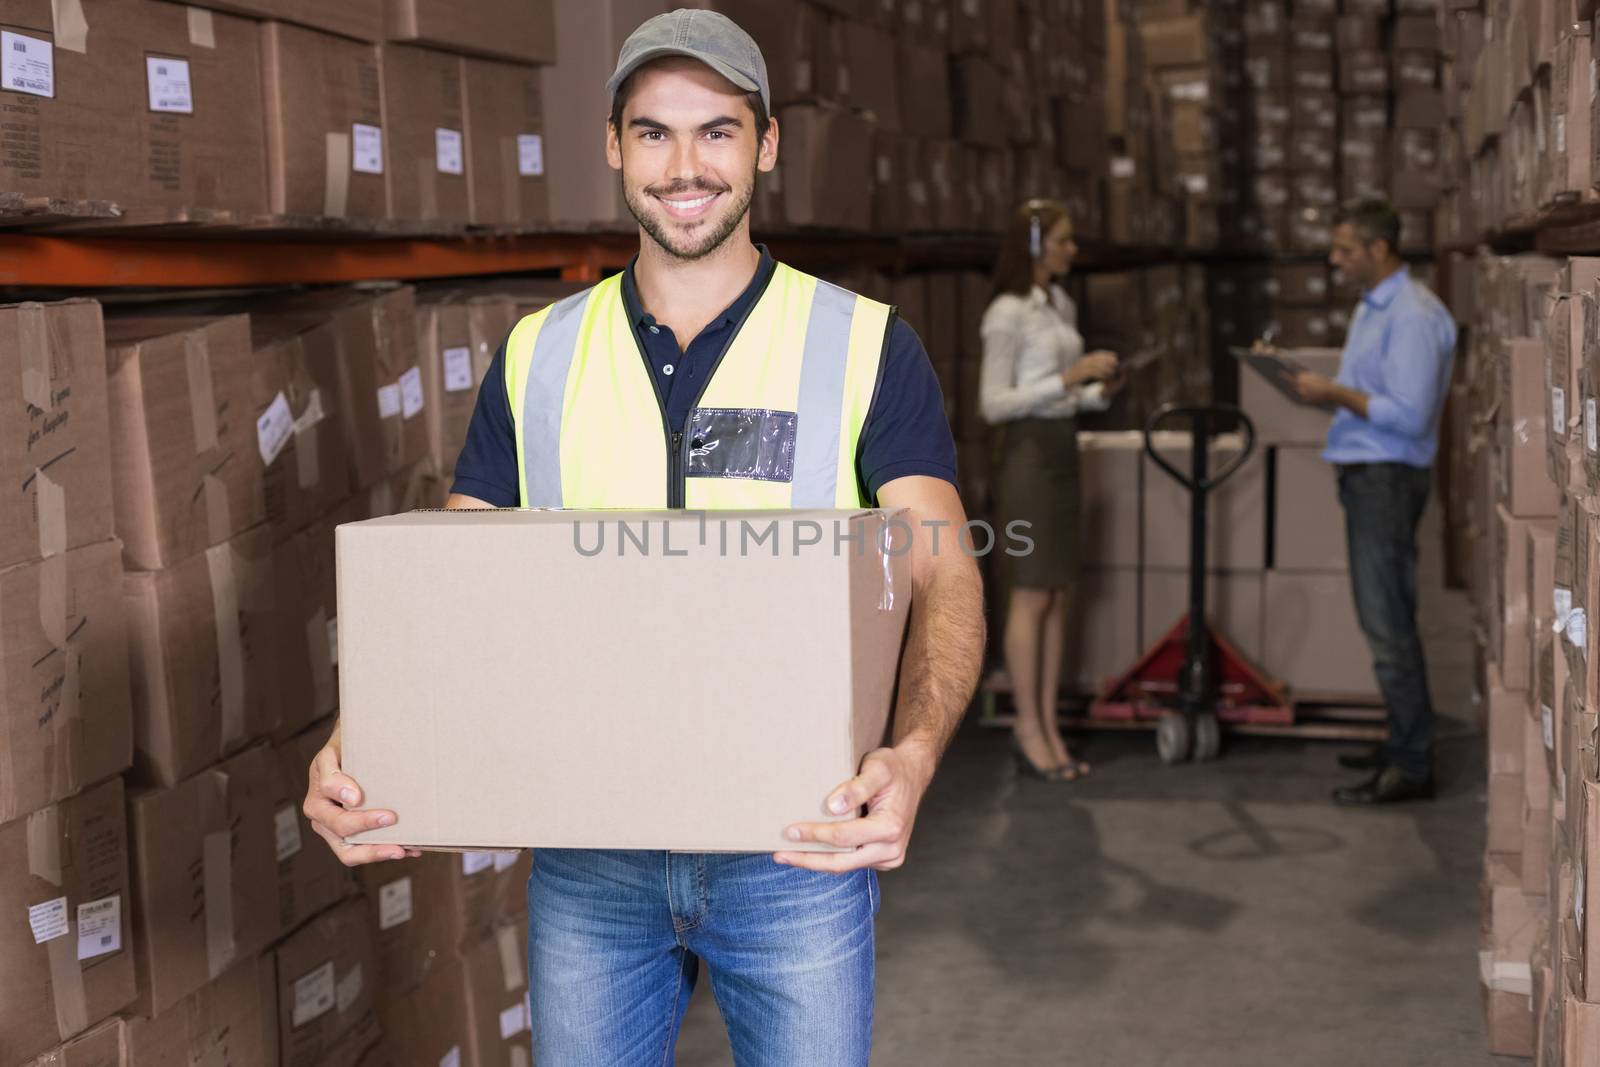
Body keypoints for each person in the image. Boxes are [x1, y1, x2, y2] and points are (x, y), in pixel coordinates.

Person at [301, 9, 986, 1065]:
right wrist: (367, 739)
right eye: (654, 132)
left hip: (797, 848)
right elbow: (456, 579)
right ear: (613, 144)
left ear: (766, 144)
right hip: (591, 858)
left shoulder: (861, 344)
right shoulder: (538, 352)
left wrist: (915, 752)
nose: (685, 166)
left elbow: (942, 568)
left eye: (716, 131)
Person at [1291, 198, 1456, 806]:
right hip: (1369, 475)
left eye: (1345, 250)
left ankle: (1413, 764)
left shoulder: (1410, 315)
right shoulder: (1375, 307)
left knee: (1388, 626)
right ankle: (1400, 739)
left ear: (1378, 249)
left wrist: (1332, 391)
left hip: (1386, 477)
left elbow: (1409, 417)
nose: (1335, 261)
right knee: (1382, 616)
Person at [979, 200, 1119, 781]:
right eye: (1062, 240)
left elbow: (1068, 396)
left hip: (1062, 446)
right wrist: (1069, 377)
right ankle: (1027, 728)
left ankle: (1050, 723)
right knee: (1030, 594)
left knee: (1059, 594)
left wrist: (1097, 392)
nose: (1071, 250)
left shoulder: (1059, 305)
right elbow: (993, 404)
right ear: (1033, 245)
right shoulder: (1007, 313)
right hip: (1026, 457)